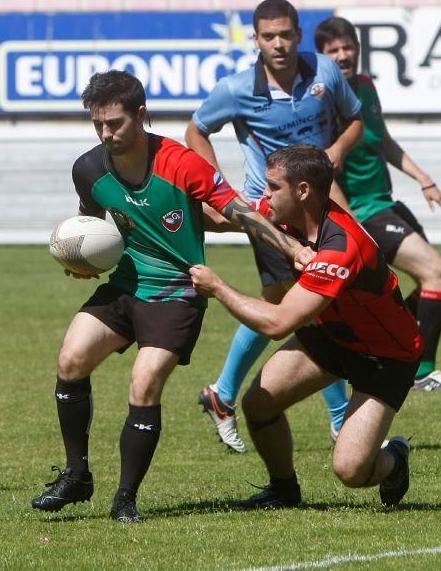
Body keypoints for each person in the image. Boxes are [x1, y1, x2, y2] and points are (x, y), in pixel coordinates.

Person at [31, 70, 310, 523]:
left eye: (116, 123)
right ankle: (76, 475)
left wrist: (293, 246)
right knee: (71, 360)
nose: (107, 133)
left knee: (143, 385)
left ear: (141, 115)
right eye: (99, 124)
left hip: (177, 292)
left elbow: (238, 211)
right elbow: (89, 223)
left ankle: (125, 500)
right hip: (124, 285)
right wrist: (82, 262)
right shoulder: (88, 168)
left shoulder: (182, 163)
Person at [190, 144, 419, 508]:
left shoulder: (341, 246)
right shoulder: (286, 216)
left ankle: (394, 459)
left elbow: (279, 323)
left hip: (386, 355)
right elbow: (224, 216)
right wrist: (155, 204)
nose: (265, 194)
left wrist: (218, 288)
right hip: (333, 336)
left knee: (350, 471)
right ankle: (284, 490)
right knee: (259, 404)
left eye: (272, 187)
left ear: (302, 191)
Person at [185, 0, 364, 452]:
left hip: (322, 207)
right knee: (314, 305)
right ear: (256, 39)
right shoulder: (236, 88)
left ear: (300, 35)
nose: (279, 44)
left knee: (291, 304)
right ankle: (340, 418)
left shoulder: (324, 72)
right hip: (271, 212)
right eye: (269, 36)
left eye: (286, 34)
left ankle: (223, 395)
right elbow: (196, 130)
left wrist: (339, 149)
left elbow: (356, 120)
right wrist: (219, 188)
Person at [315, 16, 441, 392]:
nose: (343, 55)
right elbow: (323, 166)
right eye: (334, 50)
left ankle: (383, 350)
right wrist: (346, 222)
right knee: (436, 273)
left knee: (424, 284)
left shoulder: (365, 87)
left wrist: (425, 180)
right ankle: (421, 372)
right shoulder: (322, 101)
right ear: (322, 57)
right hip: (364, 212)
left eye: (348, 48)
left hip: (385, 203)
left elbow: (384, 141)